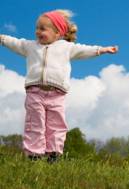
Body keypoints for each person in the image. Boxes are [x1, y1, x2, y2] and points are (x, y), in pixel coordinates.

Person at [0, 9, 118, 163]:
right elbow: (15, 42)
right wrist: (2, 38)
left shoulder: (66, 47)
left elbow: (84, 50)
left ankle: (53, 154)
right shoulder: (30, 46)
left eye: (43, 28)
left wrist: (101, 50)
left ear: (57, 33)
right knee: (34, 123)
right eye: (37, 28)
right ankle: (34, 155)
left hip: (57, 94)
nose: (38, 32)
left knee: (57, 124)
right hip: (35, 92)